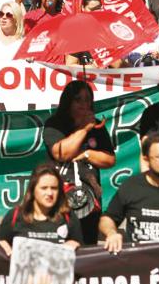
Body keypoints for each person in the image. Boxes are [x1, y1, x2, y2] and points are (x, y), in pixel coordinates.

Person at [43, 80, 116, 244]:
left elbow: (109, 159)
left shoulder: (97, 126)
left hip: (89, 202)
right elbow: (61, 153)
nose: (84, 104)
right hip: (60, 200)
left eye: (87, 100)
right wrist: (83, 129)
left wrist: (86, 154)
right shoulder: (54, 124)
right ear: (68, 101)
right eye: (78, 99)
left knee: (86, 249)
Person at [0, 163, 84, 254]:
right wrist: (2, 246)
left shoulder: (68, 217)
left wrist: (76, 245)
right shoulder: (14, 216)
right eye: (44, 188)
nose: (50, 193)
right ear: (33, 190)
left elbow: (83, 254)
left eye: (54, 188)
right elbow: (1, 247)